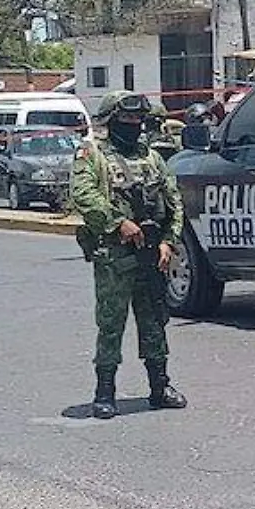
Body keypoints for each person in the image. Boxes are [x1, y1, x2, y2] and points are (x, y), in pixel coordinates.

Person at [69, 90, 188, 420]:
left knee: (154, 324)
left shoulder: (151, 158)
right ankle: (104, 392)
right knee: (111, 324)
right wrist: (119, 223)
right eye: (128, 120)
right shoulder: (91, 155)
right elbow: (83, 195)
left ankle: (159, 386)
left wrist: (168, 241)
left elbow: (173, 201)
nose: (134, 125)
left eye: (139, 119)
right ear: (111, 121)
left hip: (151, 255)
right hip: (115, 257)